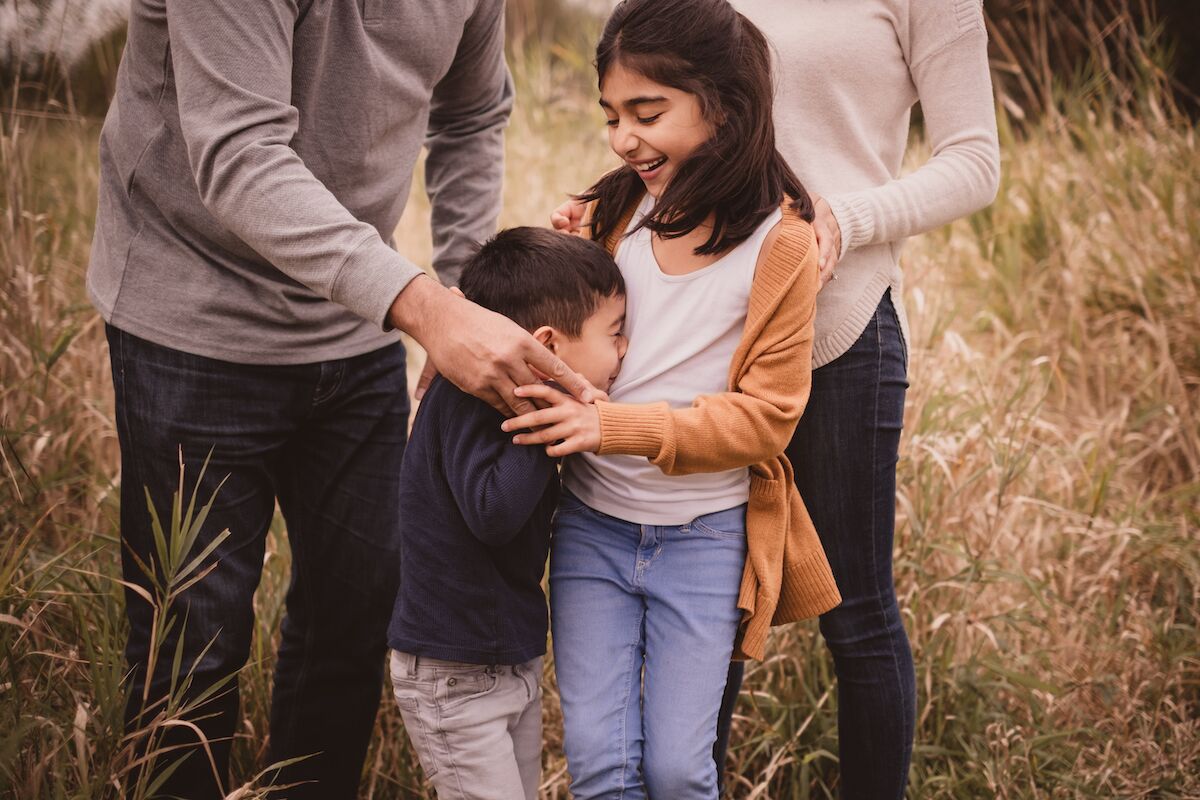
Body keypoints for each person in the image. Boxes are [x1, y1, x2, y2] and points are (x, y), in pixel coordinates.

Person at [88, 2, 593, 798]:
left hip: (358, 324)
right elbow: (240, 153)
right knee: (193, 646)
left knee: (354, 621)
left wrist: (463, 294)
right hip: (193, 322)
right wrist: (427, 308)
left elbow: (470, 118)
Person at [552, 1, 1002, 796]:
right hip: (690, 329)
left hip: (838, 317)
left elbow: (974, 160)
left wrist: (841, 221)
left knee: (856, 610)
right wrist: (605, 207)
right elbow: (657, 96)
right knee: (710, 594)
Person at [505, 2, 842, 797]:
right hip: (592, 530)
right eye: (611, 115)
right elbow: (564, 337)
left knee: (678, 770)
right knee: (600, 764)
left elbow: (766, 418)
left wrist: (607, 426)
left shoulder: (781, 245)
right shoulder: (616, 215)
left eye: (647, 112)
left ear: (724, 107)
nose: (623, 138)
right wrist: (563, 256)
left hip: (705, 541)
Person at [387, 228, 626, 800]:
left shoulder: (509, 399)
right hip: (452, 669)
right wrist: (556, 422)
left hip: (501, 658)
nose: (624, 351)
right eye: (615, 334)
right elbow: (493, 513)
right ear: (547, 346)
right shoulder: (472, 398)